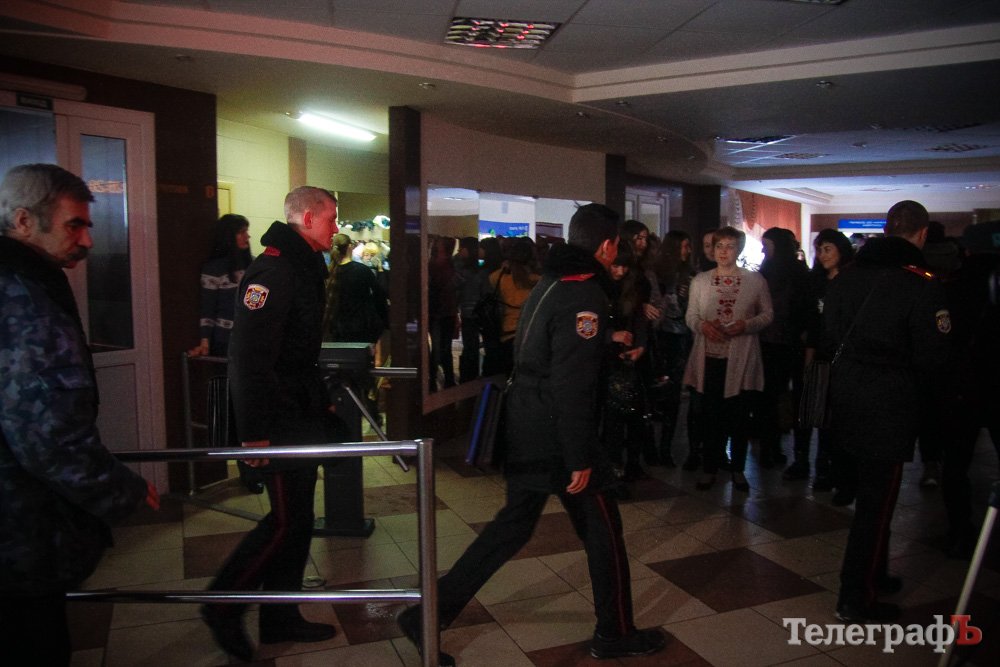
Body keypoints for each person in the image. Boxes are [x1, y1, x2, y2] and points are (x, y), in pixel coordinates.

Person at [397, 203, 667, 665]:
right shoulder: (585, 293)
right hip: (557, 432)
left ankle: (428, 613)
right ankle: (615, 632)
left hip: (528, 423)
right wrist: (580, 456)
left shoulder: (552, 281)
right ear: (606, 247)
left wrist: (603, 347)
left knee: (512, 528)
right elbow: (570, 382)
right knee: (603, 530)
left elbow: (548, 351)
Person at [0, 163, 158, 666]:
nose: (87, 240)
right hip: (19, 530)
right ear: (24, 221)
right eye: (74, 225)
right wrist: (121, 489)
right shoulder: (25, 298)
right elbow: (48, 435)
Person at [202, 186, 343, 662]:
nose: (336, 227)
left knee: (298, 521)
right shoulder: (275, 270)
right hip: (277, 417)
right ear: (308, 218)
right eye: (331, 218)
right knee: (285, 521)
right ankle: (222, 605)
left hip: (296, 411)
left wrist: (320, 403)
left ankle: (280, 616)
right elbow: (248, 357)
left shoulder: (302, 266)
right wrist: (254, 432)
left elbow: (299, 354)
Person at [824, 200, 949, 622]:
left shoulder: (847, 277)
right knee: (878, 503)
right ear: (922, 233)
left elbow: (828, 334)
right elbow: (933, 355)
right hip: (890, 403)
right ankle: (855, 596)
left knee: (868, 497)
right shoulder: (919, 283)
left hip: (845, 396)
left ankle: (873, 574)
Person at [683, 226, 773, 492]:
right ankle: (710, 468)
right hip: (710, 356)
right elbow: (691, 316)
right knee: (710, 415)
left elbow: (767, 314)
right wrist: (702, 326)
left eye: (730, 246)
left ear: (739, 250)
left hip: (740, 358)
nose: (723, 252)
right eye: (719, 246)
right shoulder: (701, 281)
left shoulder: (755, 280)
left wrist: (746, 324)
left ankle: (738, 469)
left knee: (739, 416)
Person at [757, 227, 817, 473]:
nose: (763, 250)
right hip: (784, 342)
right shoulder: (797, 271)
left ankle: (773, 448)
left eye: (767, 246)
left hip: (779, 342)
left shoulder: (772, 273)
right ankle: (782, 449)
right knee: (778, 397)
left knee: (772, 396)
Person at [802, 229, 855, 496]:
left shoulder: (851, 283)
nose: (822, 255)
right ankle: (822, 470)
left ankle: (842, 474)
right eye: (820, 250)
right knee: (821, 418)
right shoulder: (817, 283)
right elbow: (813, 325)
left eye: (827, 249)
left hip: (846, 359)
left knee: (843, 420)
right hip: (822, 356)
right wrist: (809, 360)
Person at [603, 240, 650, 486]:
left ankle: (631, 463)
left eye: (624, 267)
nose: (620, 271)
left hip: (629, 357)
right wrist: (611, 336)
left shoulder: (633, 287)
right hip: (605, 358)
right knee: (612, 417)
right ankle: (614, 466)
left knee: (633, 414)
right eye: (616, 266)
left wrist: (640, 345)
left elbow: (639, 318)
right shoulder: (598, 287)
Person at [648, 230, 695, 468]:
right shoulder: (657, 274)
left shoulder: (689, 275)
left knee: (673, 395)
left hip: (680, 339)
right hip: (660, 337)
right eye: (684, 246)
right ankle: (651, 448)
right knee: (656, 393)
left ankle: (665, 447)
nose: (688, 251)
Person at [189, 214, 253, 358]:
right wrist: (205, 340)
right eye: (241, 232)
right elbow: (208, 306)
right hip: (226, 339)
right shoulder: (214, 269)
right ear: (228, 236)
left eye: (246, 231)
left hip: (252, 335)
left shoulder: (252, 264)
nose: (247, 236)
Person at [487, 236, 540, 377]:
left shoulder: (498, 277)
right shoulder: (537, 281)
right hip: (530, 335)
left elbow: (491, 281)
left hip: (506, 334)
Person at [323, 233, 388, 345]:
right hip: (361, 328)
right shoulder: (362, 270)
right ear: (350, 247)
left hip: (336, 329)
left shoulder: (328, 272)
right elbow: (380, 295)